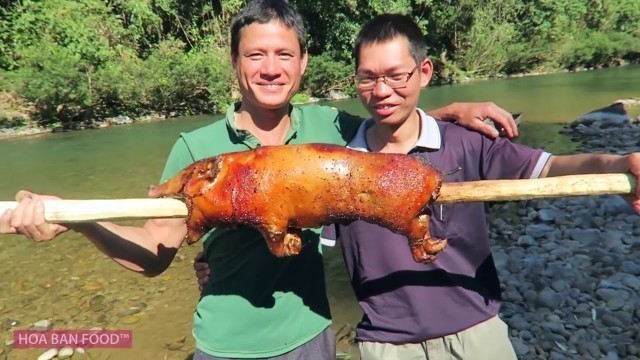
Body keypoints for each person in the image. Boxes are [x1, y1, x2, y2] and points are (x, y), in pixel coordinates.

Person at [0, 2, 523, 359]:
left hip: (314, 336)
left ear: (302, 64)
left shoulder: (331, 130)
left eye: (284, 55)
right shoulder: (195, 149)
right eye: (255, 54)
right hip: (228, 343)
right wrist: (74, 219)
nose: (270, 68)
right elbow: (154, 254)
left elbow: (396, 133)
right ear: (235, 63)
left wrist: (454, 110)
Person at [189, 13, 640, 360]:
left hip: (476, 333)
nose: (381, 90)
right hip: (386, 345)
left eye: (396, 75)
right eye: (368, 77)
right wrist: (217, 257)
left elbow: (551, 168)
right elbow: (287, 217)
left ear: (424, 73)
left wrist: (618, 163)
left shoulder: (467, 145)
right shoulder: (338, 165)